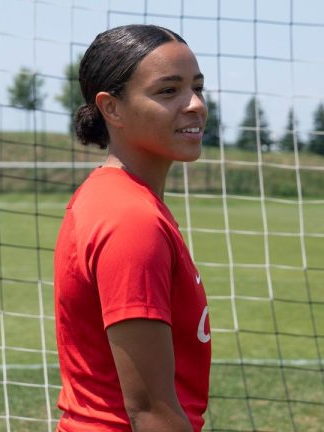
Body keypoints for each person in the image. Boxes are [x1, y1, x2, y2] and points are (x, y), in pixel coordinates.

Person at [53, 24, 211, 432]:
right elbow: (150, 412)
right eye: (168, 91)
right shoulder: (131, 219)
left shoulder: (121, 199)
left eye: (198, 87)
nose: (195, 104)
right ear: (112, 108)